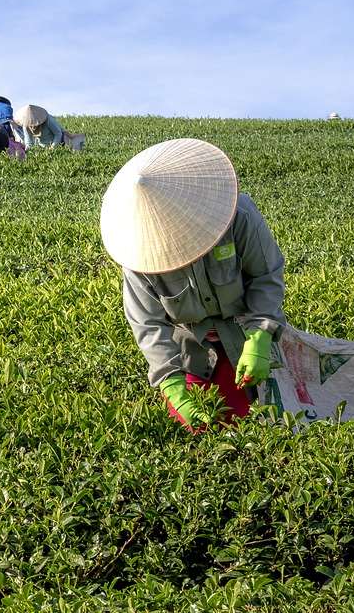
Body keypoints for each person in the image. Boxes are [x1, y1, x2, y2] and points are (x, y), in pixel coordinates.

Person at [101, 138, 285, 432]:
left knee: (248, 417)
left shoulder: (239, 216)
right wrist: (170, 381)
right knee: (196, 424)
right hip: (190, 344)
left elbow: (266, 275)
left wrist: (261, 334)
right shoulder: (137, 253)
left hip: (241, 328)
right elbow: (148, 324)